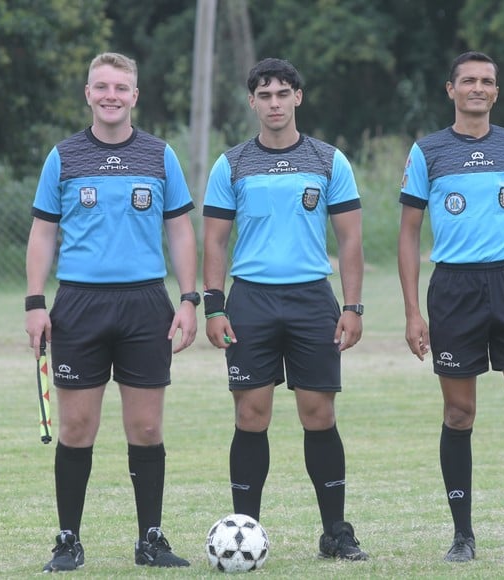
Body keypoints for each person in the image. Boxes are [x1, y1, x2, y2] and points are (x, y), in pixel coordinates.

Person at [397, 50, 504, 562]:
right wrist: (412, 311)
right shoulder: (427, 152)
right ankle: (462, 536)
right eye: (468, 80)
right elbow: (408, 236)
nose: (477, 88)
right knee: (459, 412)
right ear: (450, 89)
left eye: (487, 81)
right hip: (454, 290)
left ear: (496, 92)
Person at [24, 52, 198, 572]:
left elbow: (180, 230)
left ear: (135, 96)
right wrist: (36, 302)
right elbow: (43, 232)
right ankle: (68, 541)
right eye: (102, 87)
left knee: (146, 429)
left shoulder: (160, 155)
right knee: (77, 429)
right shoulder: (63, 157)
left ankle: (151, 539)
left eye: (121, 87)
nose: (111, 96)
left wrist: (189, 299)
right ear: (88, 93)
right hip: (79, 302)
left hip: (146, 302)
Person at [202, 57, 368, 561]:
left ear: (298, 97)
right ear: (252, 102)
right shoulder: (230, 164)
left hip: (312, 298)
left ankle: (336, 532)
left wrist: (353, 305)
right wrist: (214, 305)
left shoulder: (329, 160)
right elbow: (214, 240)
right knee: (251, 414)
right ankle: (242, 532)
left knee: (318, 414)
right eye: (264, 95)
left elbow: (350, 238)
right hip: (250, 299)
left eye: (283, 93)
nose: (274, 103)